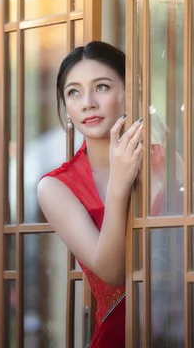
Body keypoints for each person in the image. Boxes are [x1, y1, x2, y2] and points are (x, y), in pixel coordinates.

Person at [37, 41, 143, 347]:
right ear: (66, 108)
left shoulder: (162, 160)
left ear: (128, 91)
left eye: (102, 87)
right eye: (74, 92)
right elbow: (112, 272)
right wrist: (119, 185)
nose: (87, 102)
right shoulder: (55, 187)